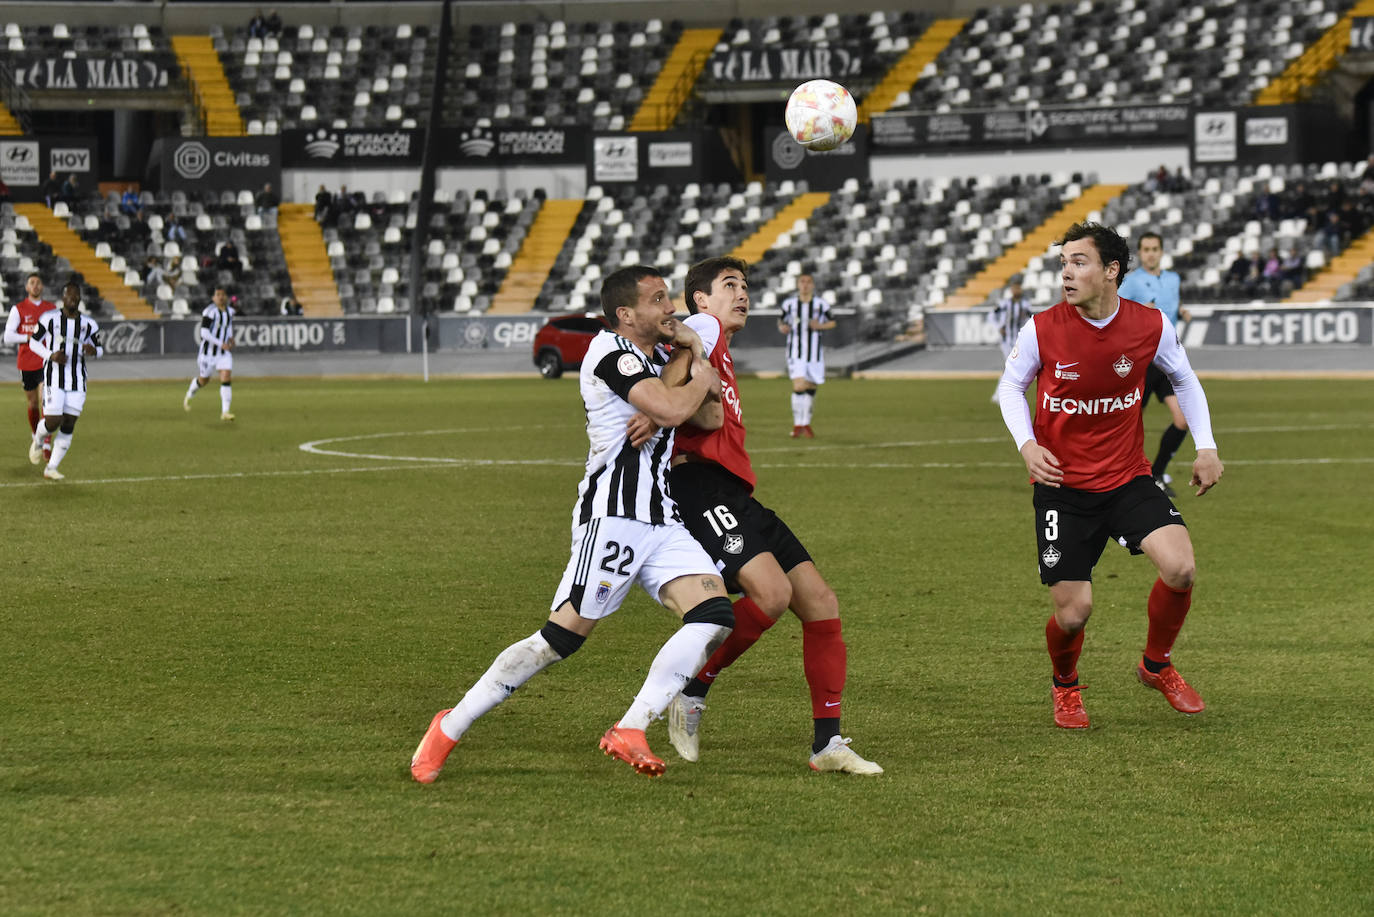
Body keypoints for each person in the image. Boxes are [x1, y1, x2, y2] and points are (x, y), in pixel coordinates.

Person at [409, 264, 734, 783]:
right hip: (614, 519)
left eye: (669, 298)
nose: (670, 308)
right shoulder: (611, 354)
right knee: (558, 642)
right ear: (626, 314)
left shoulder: (657, 357)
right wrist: (699, 375)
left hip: (662, 519)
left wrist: (692, 357)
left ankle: (630, 727)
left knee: (714, 614)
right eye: (658, 300)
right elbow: (675, 410)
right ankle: (449, 725)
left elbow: (711, 418)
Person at [654, 255, 882, 775]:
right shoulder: (705, 328)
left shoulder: (717, 351)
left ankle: (828, 743)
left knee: (821, 602)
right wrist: (680, 345)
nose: (743, 294)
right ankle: (692, 688)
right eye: (729, 285)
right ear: (701, 300)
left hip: (736, 494)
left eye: (746, 286)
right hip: (697, 488)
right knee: (772, 594)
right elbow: (681, 339)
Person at [995, 221, 1224, 730]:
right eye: (1063, 264)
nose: (1067, 274)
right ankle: (1066, 685)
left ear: (1111, 271)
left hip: (1126, 479)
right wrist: (1027, 444)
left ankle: (1155, 665)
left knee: (1181, 568)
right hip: (1061, 489)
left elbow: (1185, 377)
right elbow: (1011, 387)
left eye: (1079, 262)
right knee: (1074, 612)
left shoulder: (1150, 325)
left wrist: (1206, 447)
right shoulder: (1042, 328)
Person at [1117, 231, 1192, 497]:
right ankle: (1120, 475)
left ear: (1161, 252)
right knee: (1129, 422)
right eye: (1146, 249)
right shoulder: (1132, 282)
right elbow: (1116, 310)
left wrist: (1181, 310)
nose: (1150, 253)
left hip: (1166, 360)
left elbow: (1169, 304)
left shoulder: (1173, 279)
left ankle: (1157, 473)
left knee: (1183, 420)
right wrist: (1139, 314)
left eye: (1155, 249)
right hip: (1140, 362)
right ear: (1140, 253)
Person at [25, 280, 102, 481]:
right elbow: (33, 343)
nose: (73, 299)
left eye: (76, 296)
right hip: (53, 377)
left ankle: (51, 468)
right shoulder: (49, 319)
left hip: (77, 380)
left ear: (80, 299)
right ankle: (39, 440)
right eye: (69, 295)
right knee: (53, 420)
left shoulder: (89, 324)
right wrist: (51, 355)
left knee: (69, 422)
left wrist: (95, 351)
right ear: (63, 298)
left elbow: (100, 348)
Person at [3, 273, 57, 458]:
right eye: (32, 283)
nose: (35, 285)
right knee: (33, 403)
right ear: (27, 288)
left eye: (38, 282)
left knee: (46, 400)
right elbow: (8, 336)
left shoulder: (51, 309)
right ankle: (36, 435)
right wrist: (28, 337)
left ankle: (47, 442)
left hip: (45, 362)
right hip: (26, 363)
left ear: (42, 287)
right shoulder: (18, 309)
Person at [777, 270, 835, 438]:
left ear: (813, 285)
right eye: (802, 281)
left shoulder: (821, 304)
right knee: (799, 385)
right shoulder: (789, 304)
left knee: (811, 387)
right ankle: (797, 424)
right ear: (798, 284)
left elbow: (832, 322)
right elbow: (781, 321)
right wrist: (783, 327)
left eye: (808, 282)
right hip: (796, 352)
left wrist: (820, 326)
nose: (805, 284)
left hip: (815, 354)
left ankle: (805, 423)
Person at [183, 287, 237, 421]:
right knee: (204, 380)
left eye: (223, 294)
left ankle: (225, 412)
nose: (221, 297)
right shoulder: (209, 312)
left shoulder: (230, 311)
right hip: (207, 354)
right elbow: (204, 333)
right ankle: (190, 392)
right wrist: (220, 343)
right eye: (218, 295)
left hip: (223, 353)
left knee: (226, 376)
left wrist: (230, 337)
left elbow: (228, 326)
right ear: (213, 298)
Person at [987, 273, 1034, 401]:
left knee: (1014, 368)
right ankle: (999, 395)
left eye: (1017, 287)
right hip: (1006, 341)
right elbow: (991, 315)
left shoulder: (1025, 304)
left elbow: (1032, 319)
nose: (1016, 290)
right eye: (1014, 287)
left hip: (1018, 342)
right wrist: (999, 327)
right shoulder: (1005, 304)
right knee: (1009, 367)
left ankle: (1004, 394)